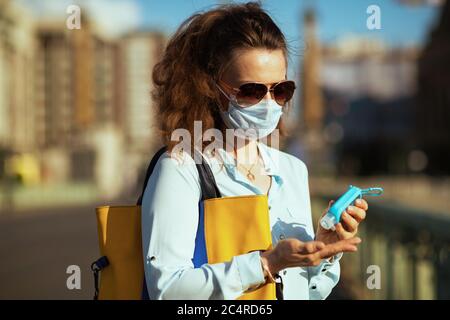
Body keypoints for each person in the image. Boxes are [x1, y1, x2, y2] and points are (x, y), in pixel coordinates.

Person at [141, 2, 368, 300]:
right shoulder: (180, 167)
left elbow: (309, 293)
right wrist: (267, 264)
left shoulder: (293, 169)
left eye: (281, 89)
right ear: (210, 88)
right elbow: (167, 291)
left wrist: (322, 251)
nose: (269, 103)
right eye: (251, 91)